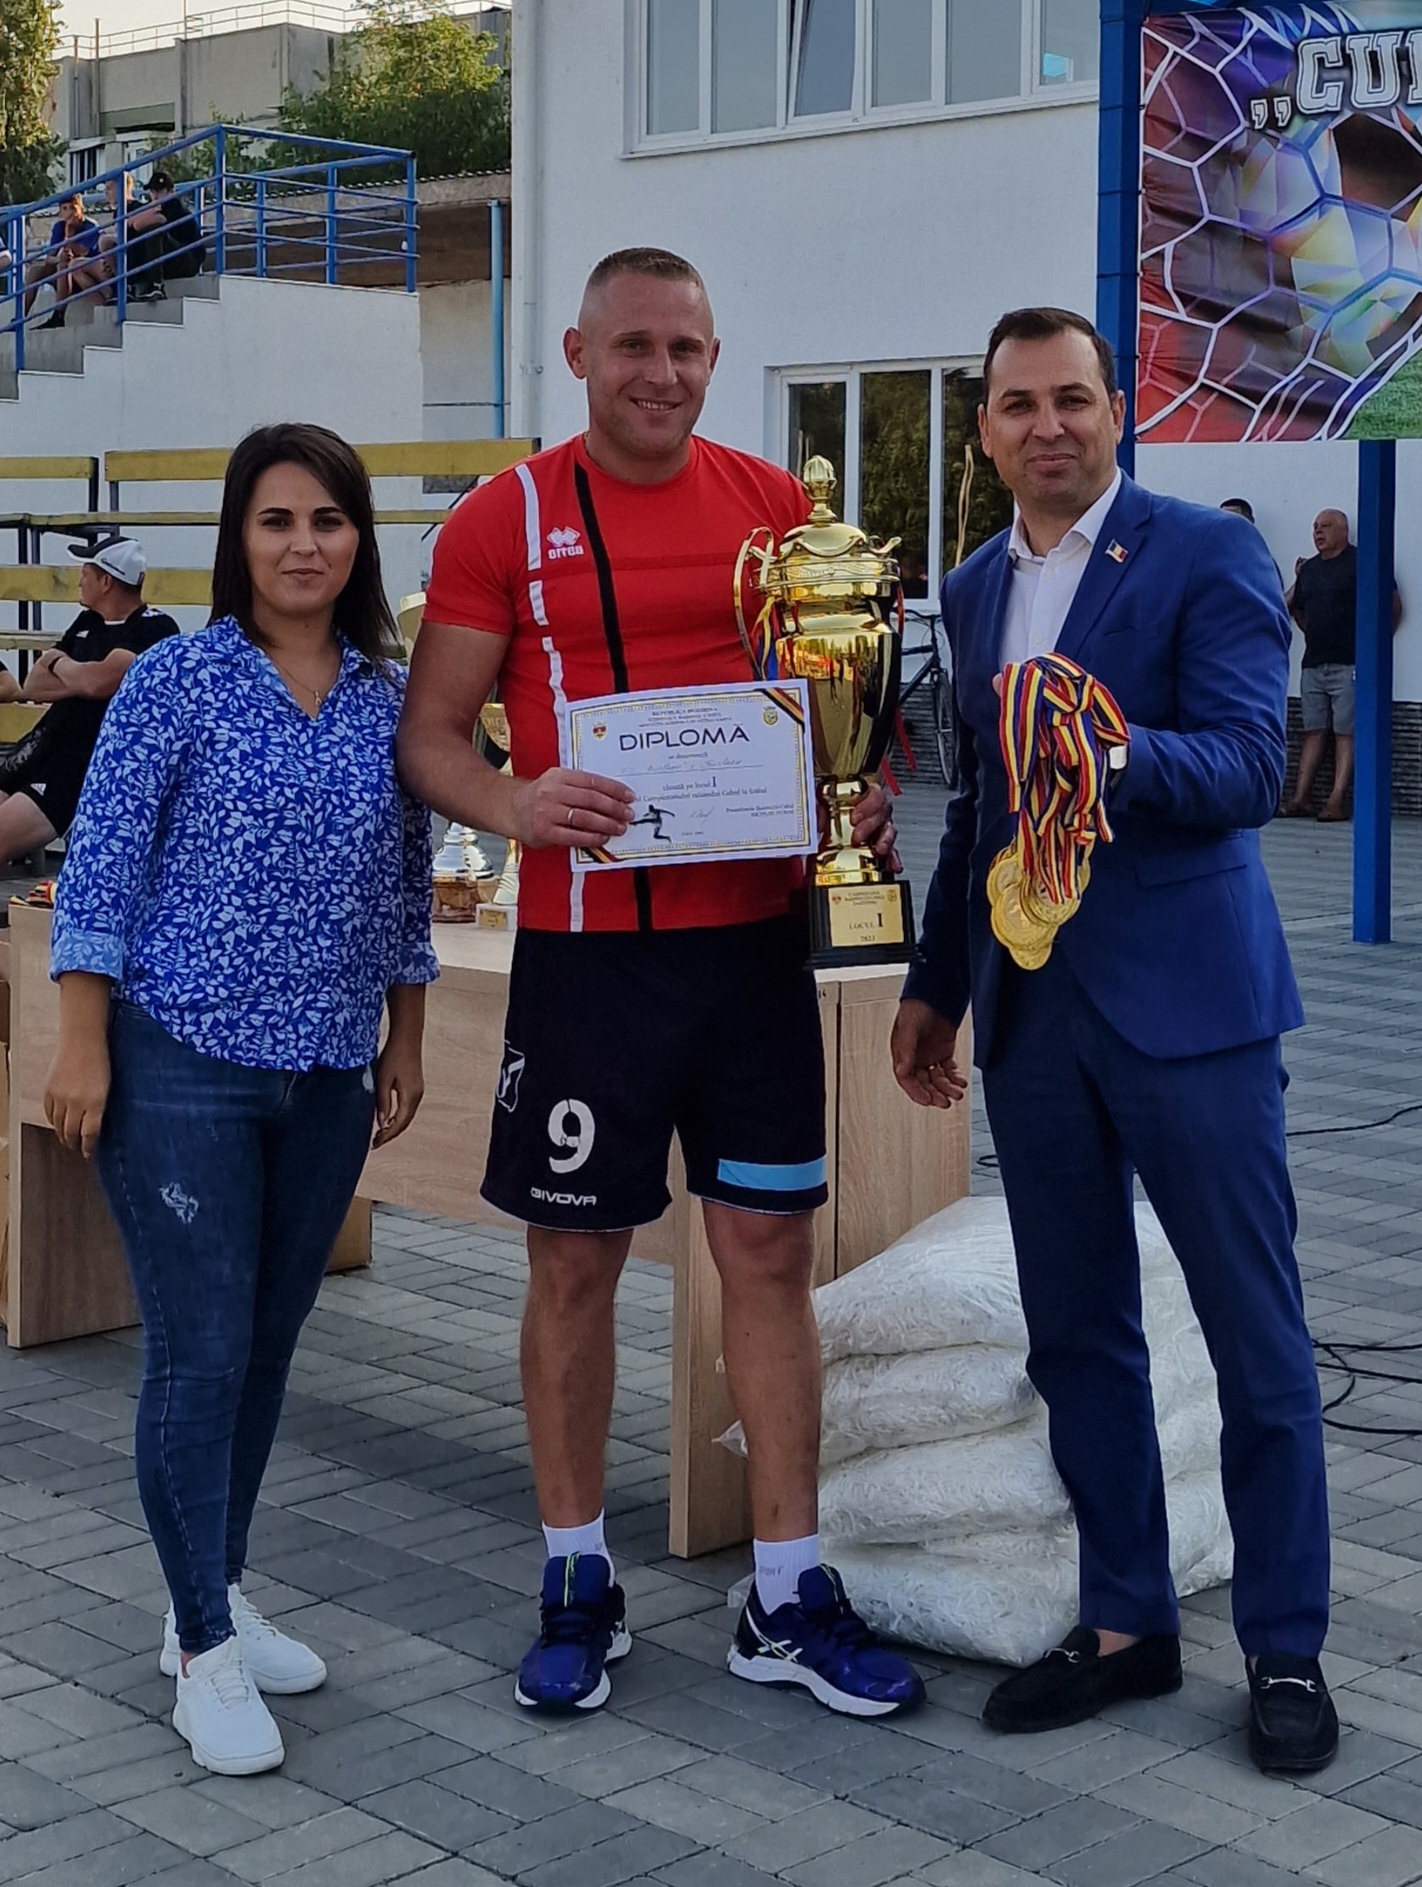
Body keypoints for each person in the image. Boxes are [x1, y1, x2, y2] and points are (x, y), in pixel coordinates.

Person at [397, 247, 925, 1722]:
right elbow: (432, 736)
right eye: (633, 345)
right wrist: (515, 804)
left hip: (754, 952)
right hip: (590, 960)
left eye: (686, 348)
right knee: (574, 1263)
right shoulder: (505, 516)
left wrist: (858, 796)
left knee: (767, 1253)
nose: (661, 373)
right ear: (578, 353)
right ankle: (577, 1574)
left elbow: (836, 709)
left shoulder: (778, 512)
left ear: (713, 357)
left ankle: (787, 1589)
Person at [891, 307, 1337, 1776]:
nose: (1048, 427)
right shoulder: (973, 587)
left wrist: (1109, 749)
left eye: (1072, 399)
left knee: (1253, 1332)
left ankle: (1285, 1642)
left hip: (1190, 1008)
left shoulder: (1202, 555)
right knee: (1076, 1330)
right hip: (1032, 1015)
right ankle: (1128, 1618)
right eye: (1017, 404)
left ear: (1114, 408)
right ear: (984, 430)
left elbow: (1250, 766)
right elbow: (975, 809)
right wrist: (935, 984)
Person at [43, 423, 437, 1776]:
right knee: (200, 1352)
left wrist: (406, 1030)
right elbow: (100, 866)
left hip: (327, 1070)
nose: (303, 544)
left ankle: (206, 1593)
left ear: (358, 539)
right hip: (182, 1062)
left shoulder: (388, 696)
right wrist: (83, 1041)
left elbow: (404, 878)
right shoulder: (176, 681)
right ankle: (204, 1652)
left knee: (266, 1347)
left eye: (328, 519)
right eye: (276, 520)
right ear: (238, 538)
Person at [0, 539, 178, 865]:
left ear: (106, 581)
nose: (80, 581)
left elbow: (99, 683)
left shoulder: (154, 628)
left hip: (79, 766)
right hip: (40, 748)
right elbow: (34, 684)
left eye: (85, 573)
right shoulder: (87, 622)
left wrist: (59, 662)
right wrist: (82, 677)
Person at [1281, 509, 1401, 821]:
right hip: (1314, 663)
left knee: (1346, 732)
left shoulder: (1363, 562)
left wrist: (1374, 647)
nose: (1318, 532)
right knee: (1313, 730)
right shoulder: (1309, 569)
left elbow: (1392, 605)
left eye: (1325, 526)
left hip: (1351, 664)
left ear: (1343, 530)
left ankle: (1336, 800)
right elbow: (1296, 609)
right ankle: (1301, 798)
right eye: (1315, 527)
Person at [125, 170, 206, 302]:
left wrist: (133, 221)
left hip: (188, 259)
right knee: (132, 236)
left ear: (171, 192)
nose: (155, 195)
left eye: (160, 190)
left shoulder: (174, 205)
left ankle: (156, 285)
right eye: (152, 191)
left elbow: (143, 223)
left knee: (153, 231)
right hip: (171, 258)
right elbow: (127, 226)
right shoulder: (153, 207)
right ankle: (129, 285)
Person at [23, 194, 101, 328]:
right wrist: (58, 259)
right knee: (36, 270)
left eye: (73, 208)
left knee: (64, 265)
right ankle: (21, 317)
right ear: (60, 212)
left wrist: (69, 235)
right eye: (65, 208)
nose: (69, 212)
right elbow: (49, 258)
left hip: (84, 277)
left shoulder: (90, 226)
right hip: (64, 278)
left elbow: (81, 252)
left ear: (81, 209)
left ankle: (58, 315)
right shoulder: (59, 227)